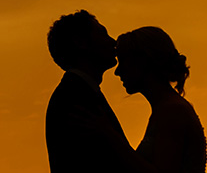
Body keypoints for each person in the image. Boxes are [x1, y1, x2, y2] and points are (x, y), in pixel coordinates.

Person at [45, 10, 139, 173]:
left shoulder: (78, 93)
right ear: (80, 42)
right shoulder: (75, 99)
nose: (112, 41)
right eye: (103, 34)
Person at [115, 26, 207, 173]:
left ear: (143, 62)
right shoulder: (166, 109)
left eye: (123, 62)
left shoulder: (172, 111)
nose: (117, 72)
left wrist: (112, 141)